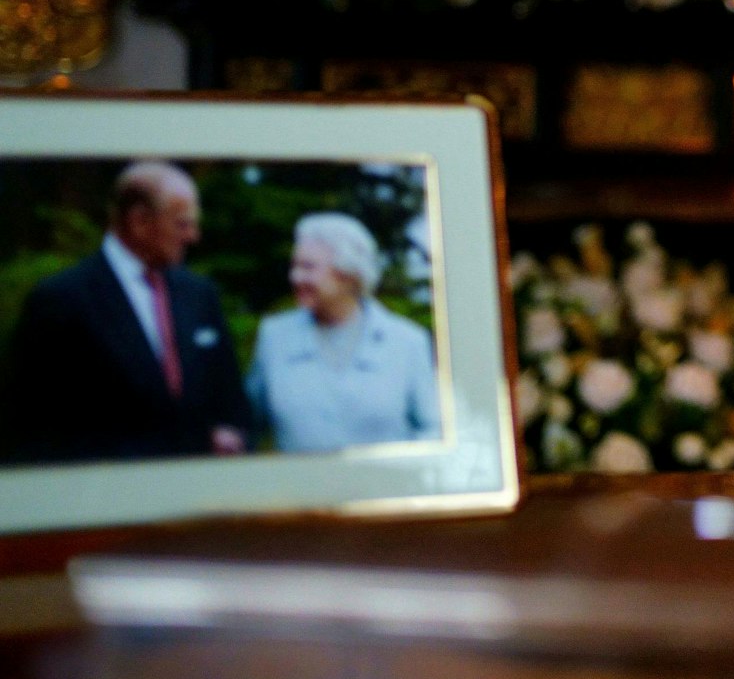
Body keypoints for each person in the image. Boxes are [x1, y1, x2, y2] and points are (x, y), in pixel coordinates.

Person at [2, 162, 249, 463]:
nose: (193, 236)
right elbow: (30, 425)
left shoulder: (199, 294)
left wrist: (232, 435)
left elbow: (232, 402)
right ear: (139, 221)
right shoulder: (62, 299)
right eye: (182, 224)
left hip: (198, 484)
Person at [247, 212, 442, 453]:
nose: (295, 277)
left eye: (308, 267)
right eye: (294, 266)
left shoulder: (407, 341)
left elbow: (433, 430)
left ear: (348, 275)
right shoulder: (274, 337)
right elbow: (247, 426)